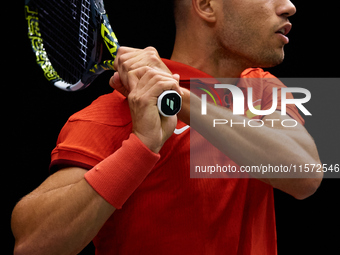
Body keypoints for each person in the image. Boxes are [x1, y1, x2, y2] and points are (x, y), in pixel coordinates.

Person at [12, 0, 323, 254]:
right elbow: (32, 243)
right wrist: (142, 146)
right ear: (206, 5)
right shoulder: (113, 113)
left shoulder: (262, 89)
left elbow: (306, 173)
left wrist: (177, 101)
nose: (289, 6)